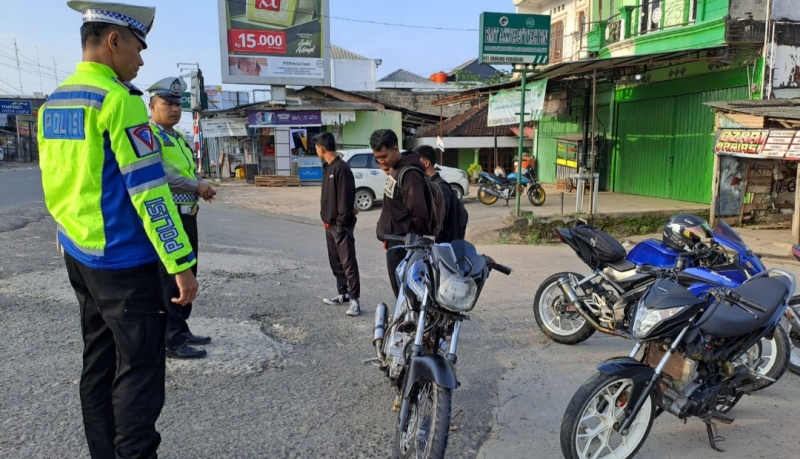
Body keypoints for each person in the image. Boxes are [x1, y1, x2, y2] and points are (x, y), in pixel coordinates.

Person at [38, 2, 198, 458]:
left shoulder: (55, 102)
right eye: (138, 47)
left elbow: (56, 182)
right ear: (114, 40)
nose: (141, 59)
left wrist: (69, 238)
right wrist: (180, 263)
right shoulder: (118, 100)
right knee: (140, 369)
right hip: (125, 261)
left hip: (80, 253)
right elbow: (150, 191)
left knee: (98, 362)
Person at [147, 76, 216, 358]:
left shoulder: (176, 137)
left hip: (188, 215)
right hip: (170, 214)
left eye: (178, 104)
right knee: (172, 278)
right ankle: (171, 339)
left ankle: (180, 326)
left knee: (189, 271)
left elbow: (185, 171)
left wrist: (199, 186)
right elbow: (158, 174)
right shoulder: (149, 136)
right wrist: (195, 185)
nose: (175, 109)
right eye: (168, 103)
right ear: (152, 106)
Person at [371, 129, 431, 298]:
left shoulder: (409, 174)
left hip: (405, 246)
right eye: (377, 158)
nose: (381, 161)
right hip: (396, 242)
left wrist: (415, 240)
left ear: (395, 149)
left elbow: (419, 212)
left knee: (407, 296)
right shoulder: (396, 169)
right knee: (401, 294)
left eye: (384, 156)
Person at [315, 132, 361, 316]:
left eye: (316, 148)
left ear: (321, 148)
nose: (316, 151)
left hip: (341, 226)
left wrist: (341, 222)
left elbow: (345, 197)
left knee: (348, 263)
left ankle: (355, 300)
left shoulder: (341, 168)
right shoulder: (328, 167)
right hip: (329, 225)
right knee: (336, 262)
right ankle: (343, 294)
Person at [414, 145, 458, 243]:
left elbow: (440, 220)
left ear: (426, 163)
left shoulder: (441, 187)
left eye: (415, 162)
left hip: (439, 244)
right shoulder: (426, 184)